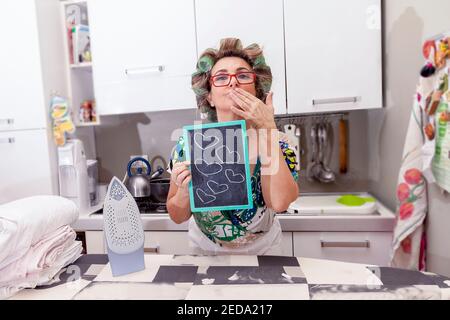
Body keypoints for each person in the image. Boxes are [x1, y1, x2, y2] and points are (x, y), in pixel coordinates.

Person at [167, 38, 299, 255]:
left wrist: (267, 129)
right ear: (208, 96)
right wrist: (183, 191)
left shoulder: (280, 141)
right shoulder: (188, 145)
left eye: (243, 75)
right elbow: (177, 215)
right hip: (205, 251)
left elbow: (280, 203)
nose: (233, 82)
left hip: (265, 251)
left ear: (257, 90)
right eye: (221, 77)